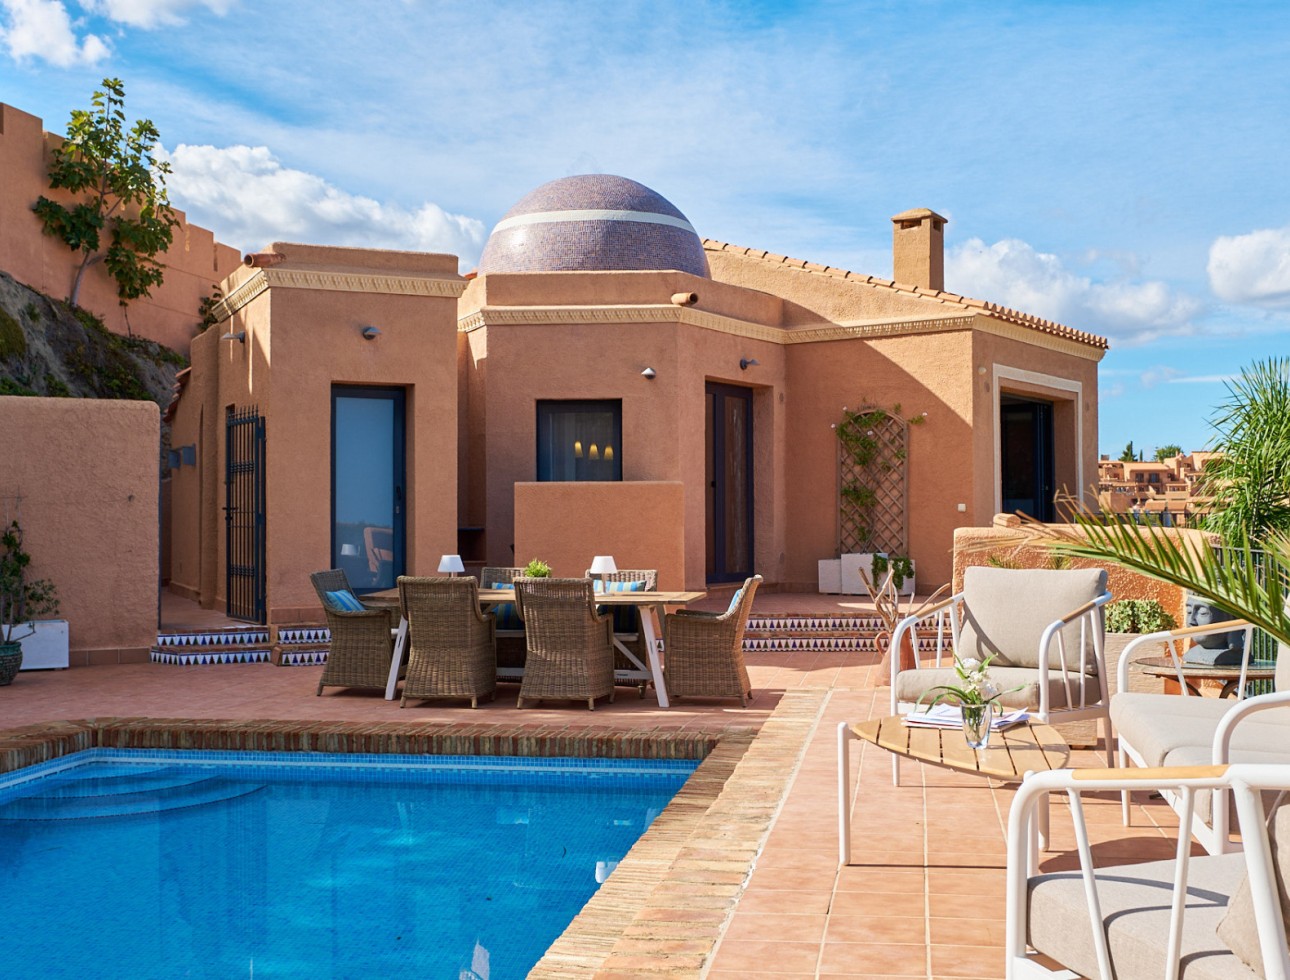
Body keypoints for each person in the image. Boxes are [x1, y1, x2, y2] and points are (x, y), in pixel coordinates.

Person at [1183, 597, 1246, 666]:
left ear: (1231, 618)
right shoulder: (1192, 653)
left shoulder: (1226, 657)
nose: (1191, 621)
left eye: (1202, 613)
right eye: (1189, 612)